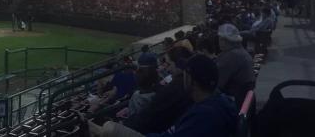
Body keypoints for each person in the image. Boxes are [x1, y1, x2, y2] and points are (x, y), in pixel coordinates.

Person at [94, 55, 237, 137]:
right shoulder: (214, 103)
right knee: (106, 128)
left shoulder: (205, 116)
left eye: (184, 75)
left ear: (192, 81)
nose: (181, 78)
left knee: (107, 129)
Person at [124, 46, 193, 134]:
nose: (167, 68)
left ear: (180, 65)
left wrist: (122, 124)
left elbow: (146, 118)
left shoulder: (175, 88)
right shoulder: (182, 83)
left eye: (169, 64)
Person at [216, 23, 255, 108]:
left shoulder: (231, 56)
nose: (218, 42)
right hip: (243, 99)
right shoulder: (240, 51)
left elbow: (217, 84)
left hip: (234, 101)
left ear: (225, 41)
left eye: (219, 39)